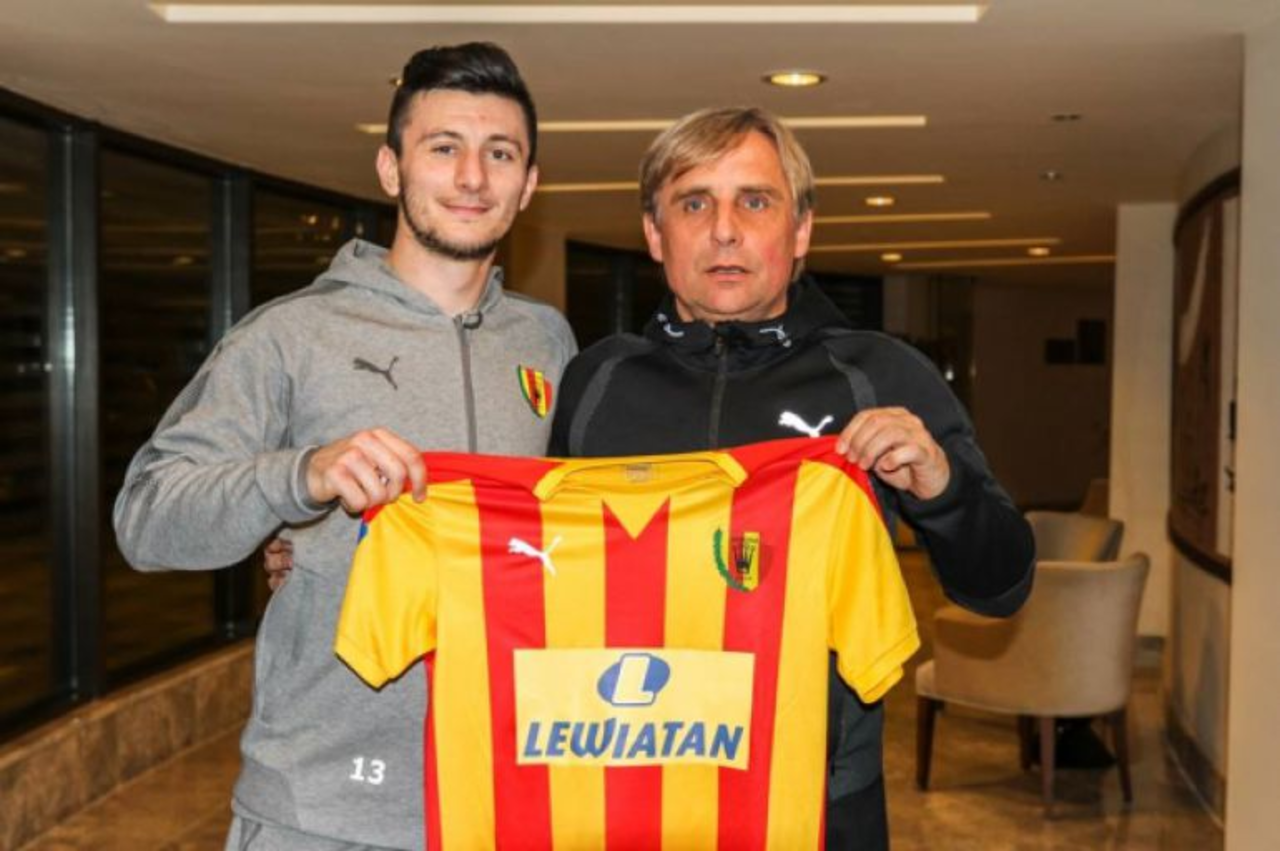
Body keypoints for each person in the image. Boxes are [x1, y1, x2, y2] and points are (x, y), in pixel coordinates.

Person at [113, 43, 575, 851]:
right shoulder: (290, 336)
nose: (472, 176)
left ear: (528, 183)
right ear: (391, 168)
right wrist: (300, 477)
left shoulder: (548, 342)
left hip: (507, 800)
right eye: (443, 147)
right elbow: (146, 518)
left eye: (500, 153)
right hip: (324, 813)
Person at [547, 106, 1036, 849]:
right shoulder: (595, 380)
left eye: (755, 200)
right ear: (654, 233)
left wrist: (944, 488)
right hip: (622, 782)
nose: (724, 230)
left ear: (800, 229)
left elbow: (1003, 586)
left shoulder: (879, 375)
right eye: (693, 203)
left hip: (819, 799)